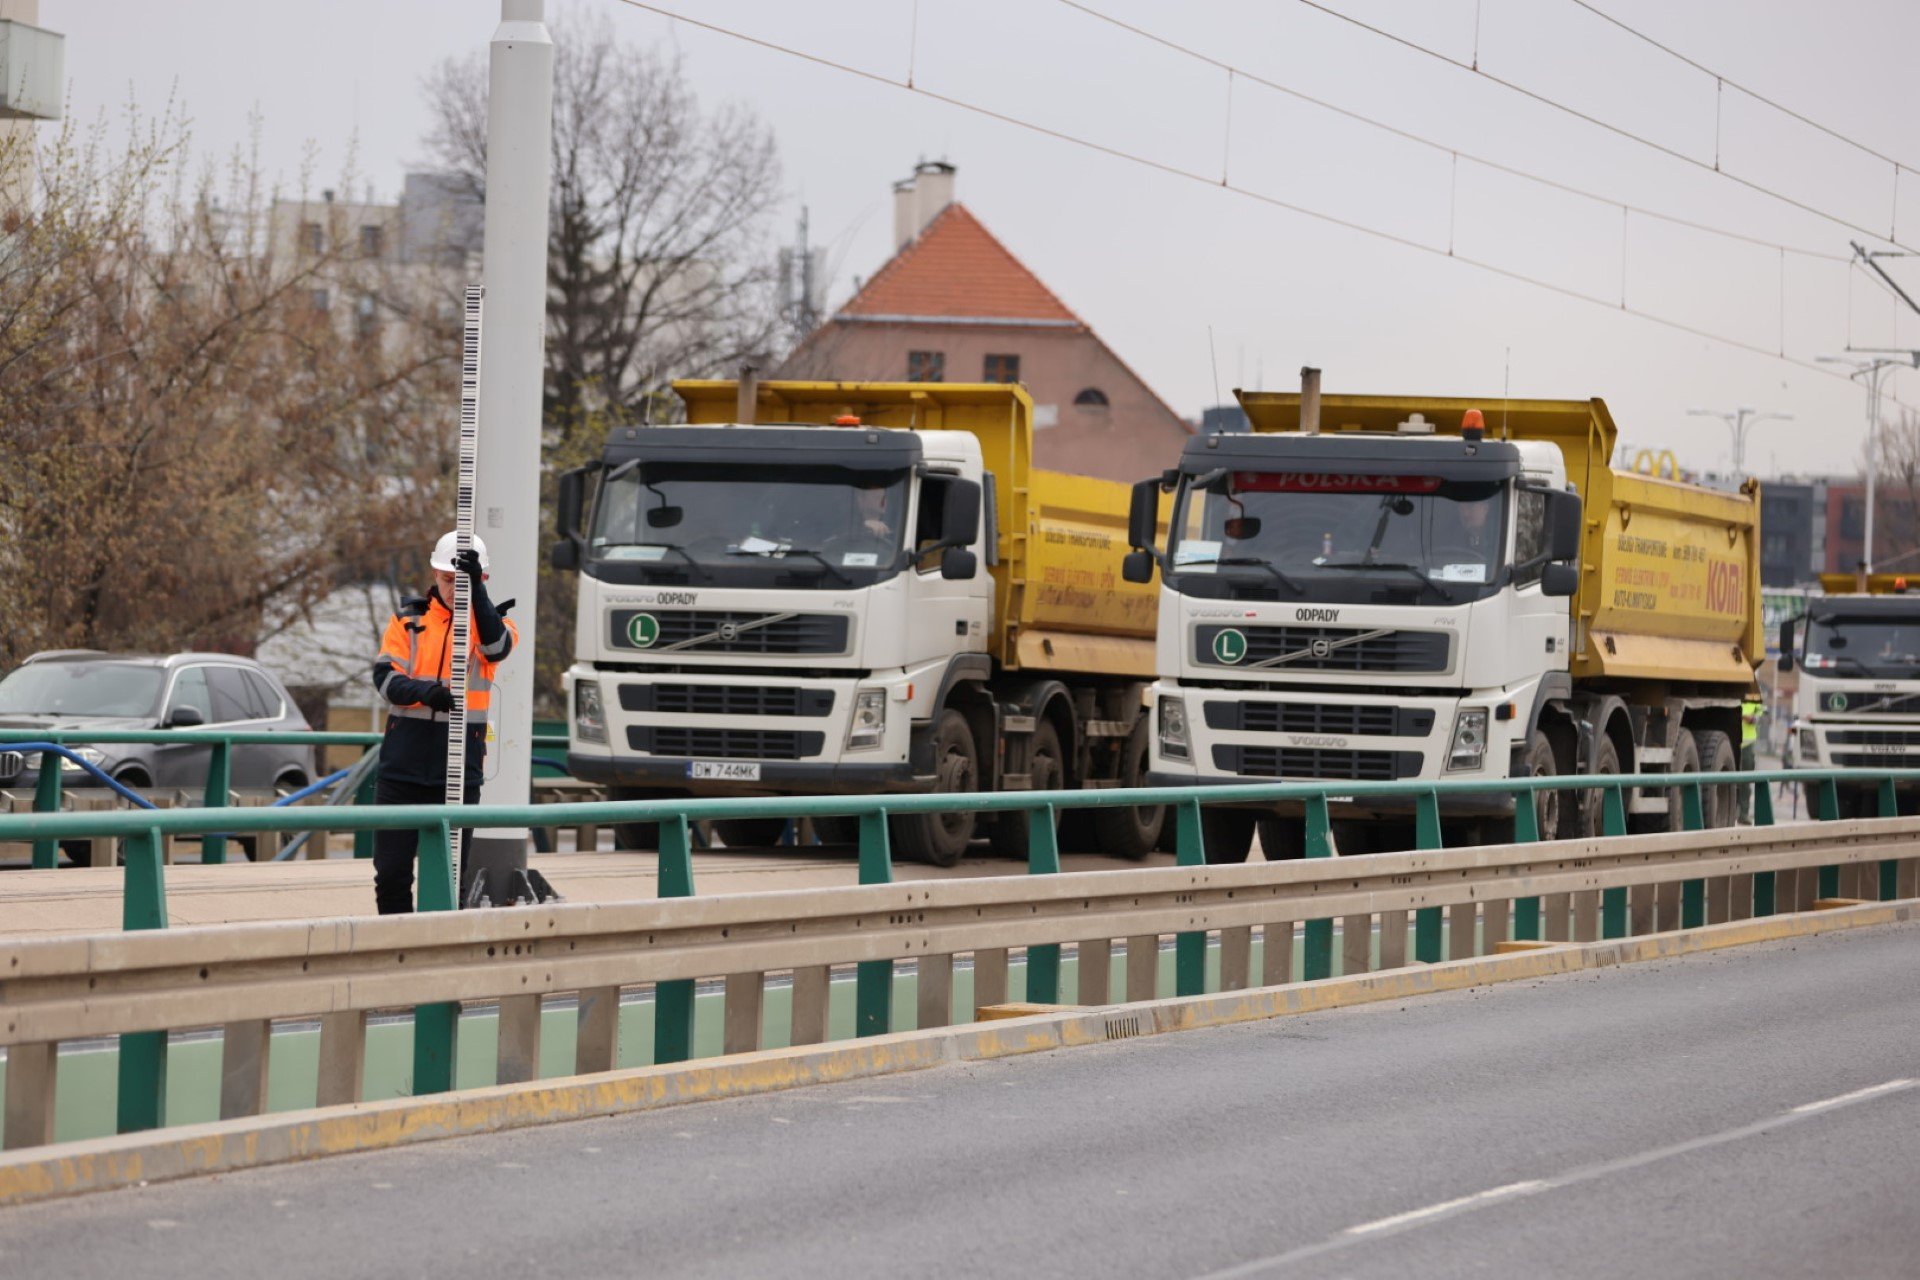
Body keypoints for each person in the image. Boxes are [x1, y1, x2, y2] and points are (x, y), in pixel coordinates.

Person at [369, 532, 516, 914]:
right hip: (401, 768)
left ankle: (439, 951)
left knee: (451, 874)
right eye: (448, 579)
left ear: (482, 580)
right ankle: (395, 944)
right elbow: (385, 678)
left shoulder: (495, 624)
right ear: (435, 575)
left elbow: (496, 647)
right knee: (391, 872)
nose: (454, 588)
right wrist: (426, 692)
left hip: (459, 769)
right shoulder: (407, 619)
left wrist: (478, 596)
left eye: (463, 580)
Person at [1738, 690, 1762, 823]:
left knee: (1745, 782)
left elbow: (1759, 716)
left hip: (1747, 744)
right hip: (1730, 741)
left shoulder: (1754, 696)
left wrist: (1750, 718)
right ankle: (1734, 811)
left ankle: (1743, 813)